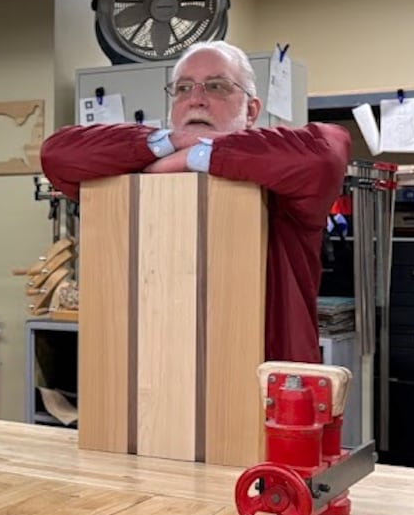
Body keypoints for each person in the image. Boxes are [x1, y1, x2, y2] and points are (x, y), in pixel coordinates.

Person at [41, 43, 350, 364]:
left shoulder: (284, 190)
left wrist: (198, 154)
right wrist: (169, 142)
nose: (196, 99)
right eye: (183, 88)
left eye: (216, 87)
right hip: (155, 379)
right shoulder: (132, 179)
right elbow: (56, 153)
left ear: (252, 111)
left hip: (270, 387)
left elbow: (327, 151)